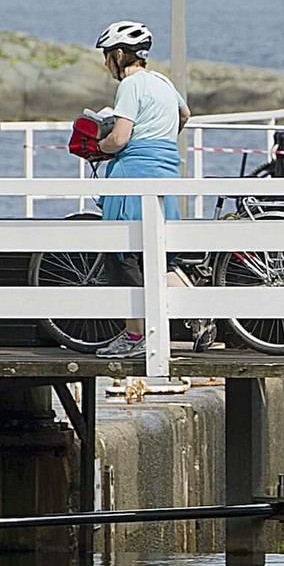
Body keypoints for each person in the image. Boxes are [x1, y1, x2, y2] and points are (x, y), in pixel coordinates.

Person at [87, 19, 192, 361]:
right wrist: (160, 140)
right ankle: (201, 314)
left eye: (107, 56)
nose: (106, 64)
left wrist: (100, 145)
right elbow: (184, 114)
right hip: (164, 171)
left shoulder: (130, 86)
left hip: (133, 175)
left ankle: (135, 335)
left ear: (119, 54)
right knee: (157, 254)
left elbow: (120, 138)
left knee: (126, 255)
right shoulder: (162, 81)